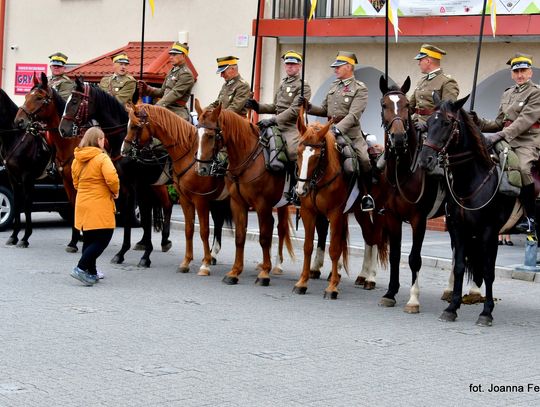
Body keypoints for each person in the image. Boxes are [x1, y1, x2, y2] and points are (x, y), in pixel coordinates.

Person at [474, 53, 540, 235]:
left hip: (527, 141)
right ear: (512, 74)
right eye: (516, 71)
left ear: (530, 73)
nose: (520, 75)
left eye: (523, 71)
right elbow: (499, 121)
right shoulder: (508, 93)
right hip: (505, 139)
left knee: (523, 168)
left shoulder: (536, 92)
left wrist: (499, 135)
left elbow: (524, 121)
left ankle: (530, 218)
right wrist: (478, 121)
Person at [305, 51, 374, 211]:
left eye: (338, 67)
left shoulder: (360, 88)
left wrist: (336, 129)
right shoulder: (333, 86)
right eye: (334, 67)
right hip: (329, 130)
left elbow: (353, 115)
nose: (335, 70)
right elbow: (324, 109)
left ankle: (366, 195)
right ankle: (304, 191)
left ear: (349, 67)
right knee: (308, 153)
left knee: (363, 159)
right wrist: (309, 107)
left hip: (350, 133)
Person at [70, 127, 120, 286]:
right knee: (104, 238)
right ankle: (80, 267)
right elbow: (112, 179)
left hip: (82, 203)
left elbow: (75, 182)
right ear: (98, 140)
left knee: (90, 238)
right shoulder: (102, 158)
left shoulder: (77, 159)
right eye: (102, 138)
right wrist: (115, 192)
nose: (104, 141)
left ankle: (91, 271)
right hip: (99, 203)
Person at [246, 50, 311, 162]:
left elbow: (294, 111)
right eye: (287, 64)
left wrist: (273, 120)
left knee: (292, 153)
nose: (289, 67)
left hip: (290, 126)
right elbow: (275, 106)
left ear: (299, 65)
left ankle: (294, 178)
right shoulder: (282, 83)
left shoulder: (303, 86)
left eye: (293, 64)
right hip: (275, 124)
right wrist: (258, 107)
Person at [138, 42, 194, 121]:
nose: (170, 57)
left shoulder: (186, 74)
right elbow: (162, 92)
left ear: (183, 56)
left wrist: (158, 105)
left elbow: (175, 93)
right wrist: (147, 89)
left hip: (176, 109)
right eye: (170, 55)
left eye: (174, 55)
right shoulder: (172, 71)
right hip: (164, 107)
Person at [409, 44, 459, 131]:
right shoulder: (421, 81)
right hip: (415, 125)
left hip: (433, 130)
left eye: (420, 60)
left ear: (428, 61)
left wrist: (427, 125)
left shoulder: (447, 82)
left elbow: (448, 112)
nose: (418, 63)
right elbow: (410, 107)